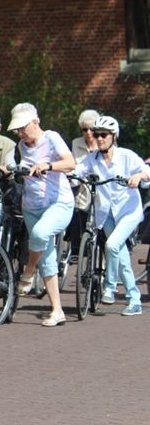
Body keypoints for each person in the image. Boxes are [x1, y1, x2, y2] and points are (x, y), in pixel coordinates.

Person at [6, 103, 76, 327]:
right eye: (17, 130)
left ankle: (28, 272)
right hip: (31, 206)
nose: (20, 133)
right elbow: (13, 165)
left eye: (23, 128)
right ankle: (57, 311)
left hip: (58, 202)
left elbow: (70, 163)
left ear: (35, 122)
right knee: (46, 257)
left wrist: (48, 165)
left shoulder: (51, 137)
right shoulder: (20, 145)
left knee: (39, 234)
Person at [72, 116, 150, 315]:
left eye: (103, 135)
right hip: (105, 213)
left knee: (112, 245)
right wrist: (66, 176)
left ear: (114, 136)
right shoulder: (93, 158)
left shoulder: (126, 156)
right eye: (96, 134)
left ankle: (110, 287)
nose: (98, 138)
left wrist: (139, 176)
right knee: (120, 254)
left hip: (128, 211)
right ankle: (134, 300)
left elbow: (146, 171)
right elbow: (78, 172)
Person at [68, 109, 101, 256]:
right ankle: (78, 252)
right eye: (84, 129)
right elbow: (74, 166)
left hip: (99, 189)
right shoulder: (76, 143)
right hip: (81, 189)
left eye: (91, 129)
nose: (88, 133)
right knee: (79, 219)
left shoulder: (104, 142)